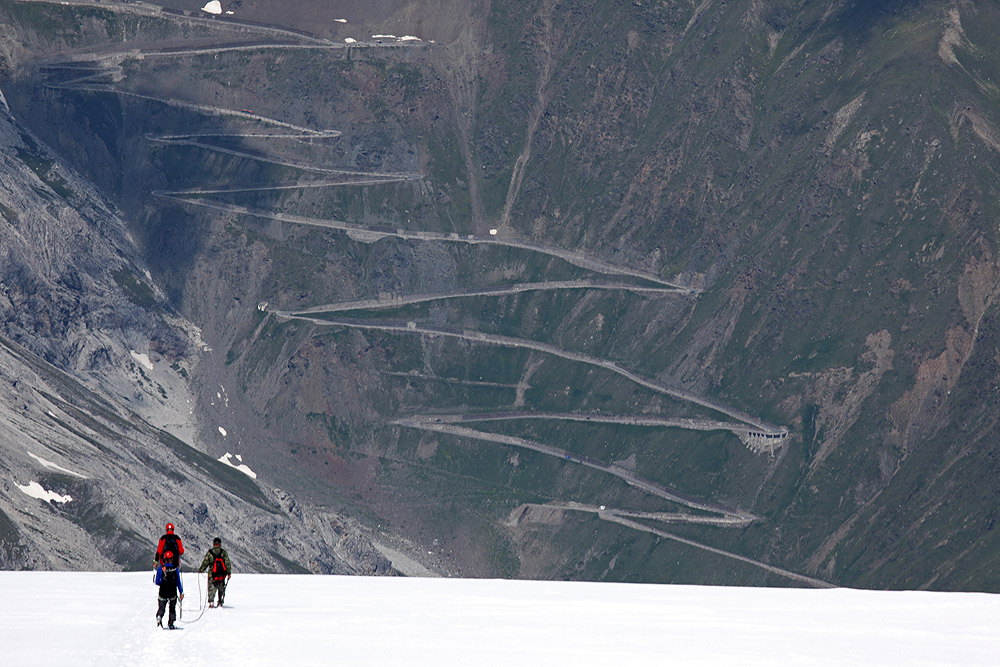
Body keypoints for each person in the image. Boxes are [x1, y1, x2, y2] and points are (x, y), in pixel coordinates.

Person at [198, 537, 232, 607]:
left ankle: (211, 602)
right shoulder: (223, 552)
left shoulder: (210, 552)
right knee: (221, 588)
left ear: (213, 544)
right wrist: (229, 573)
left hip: (212, 574)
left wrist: (201, 569)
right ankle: (220, 602)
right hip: (222, 575)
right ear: (220, 544)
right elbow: (227, 563)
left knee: (211, 588)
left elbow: (205, 562)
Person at [154, 551, 184, 629]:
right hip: (172, 592)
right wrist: (181, 592)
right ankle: (171, 623)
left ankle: (159, 616)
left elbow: (157, 582)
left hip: (163, 591)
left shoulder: (161, 569)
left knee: (162, 607)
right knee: (172, 608)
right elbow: (178, 582)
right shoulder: (175, 569)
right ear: (172, 559)